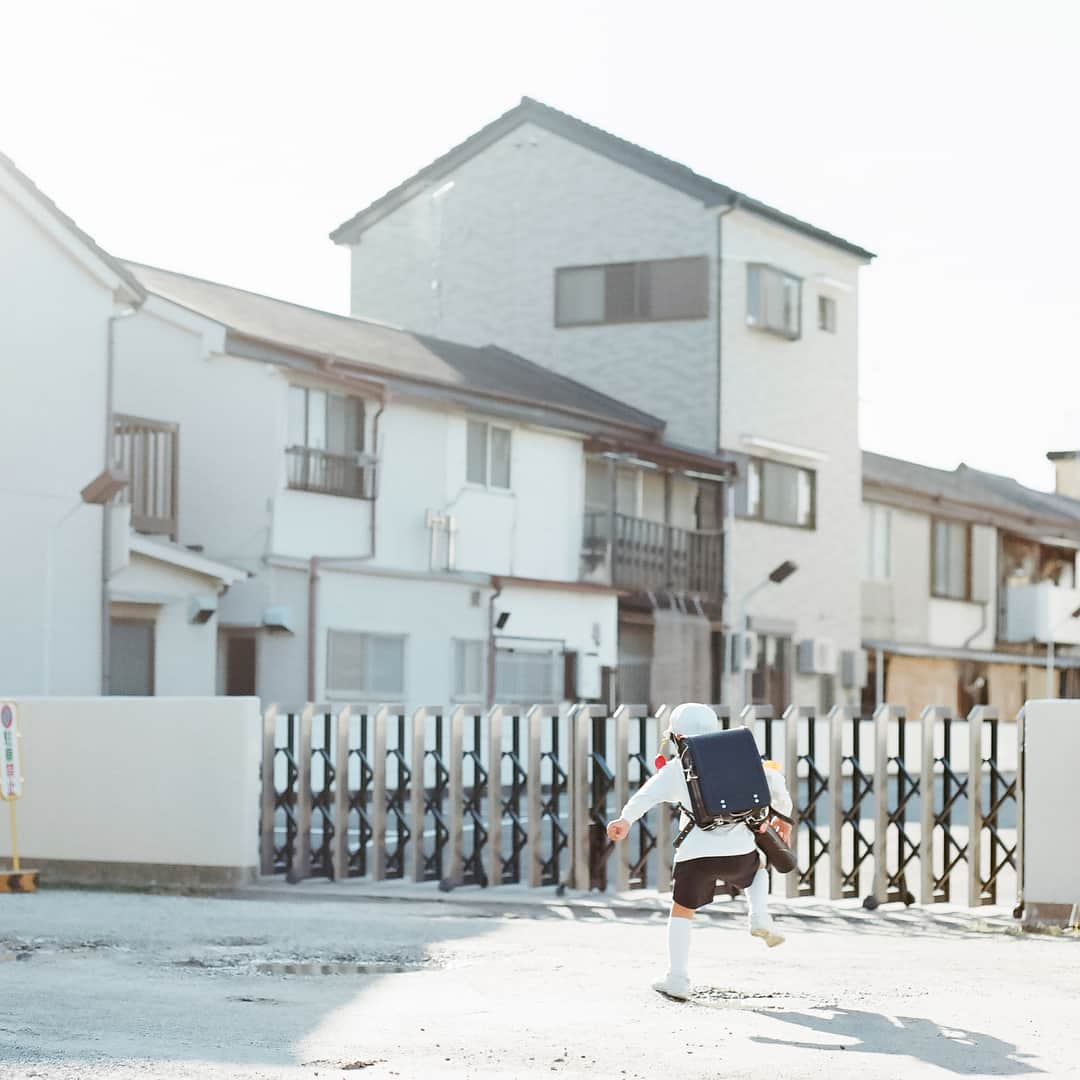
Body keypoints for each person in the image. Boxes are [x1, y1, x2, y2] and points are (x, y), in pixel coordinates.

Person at [606, 702, 793, 1001]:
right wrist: (784, 819)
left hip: (696, 855)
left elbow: (646, 795)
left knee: (682, 910)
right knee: (757, 871)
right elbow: (775, 784)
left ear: (678, 738)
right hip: (739, 851)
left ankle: (677, 977)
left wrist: (625, 819)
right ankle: (759, 915)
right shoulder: (744, 758)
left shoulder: (677, 768)